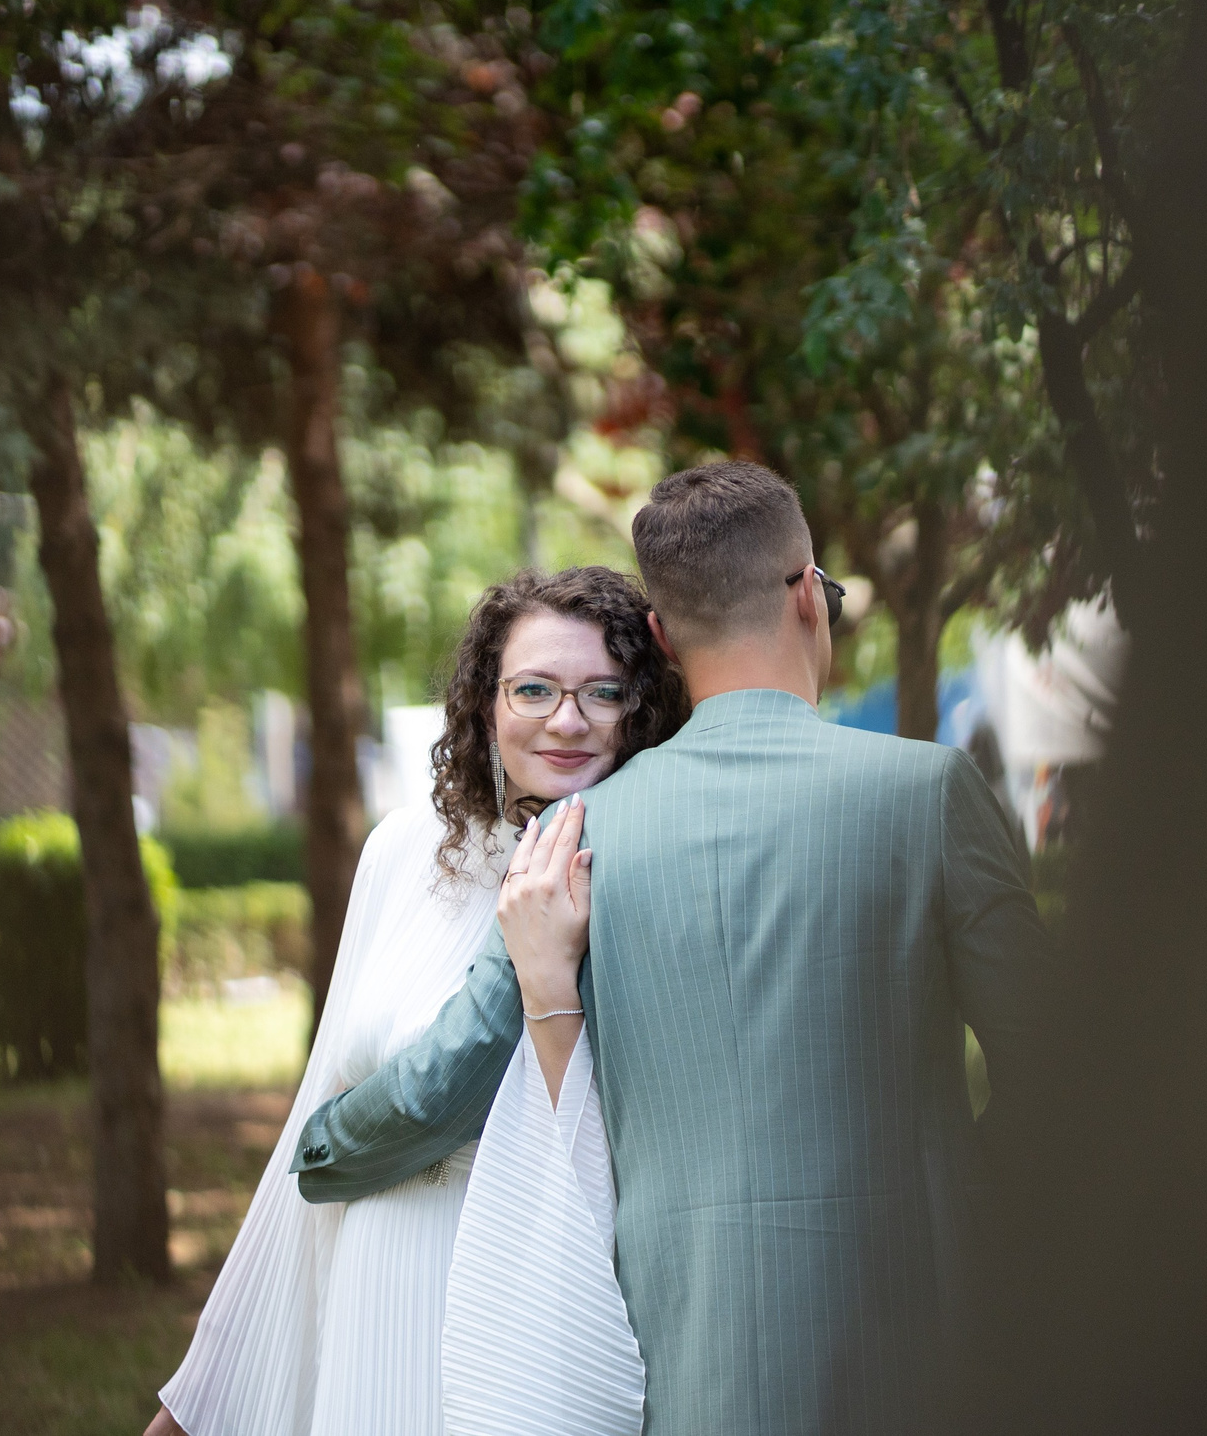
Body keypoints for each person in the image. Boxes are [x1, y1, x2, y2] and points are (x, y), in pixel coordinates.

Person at [292, 460, 1059, 1435]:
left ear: (658, 633)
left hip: (671, 1357)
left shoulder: (571, 838)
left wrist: (320, 1149)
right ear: (804, 598)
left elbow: (459, 1078)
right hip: (912, 1351)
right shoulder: (930, 795)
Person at [146, 567, 688, 1436]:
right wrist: (204, 1389)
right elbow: (313, 1122)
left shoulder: (646, 866)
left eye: (603, 691)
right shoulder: (404, 851)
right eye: (535, 688)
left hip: (524, 1299)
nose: (567, 718)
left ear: (643, 707)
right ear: (485, 703)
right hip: (379, 1275)